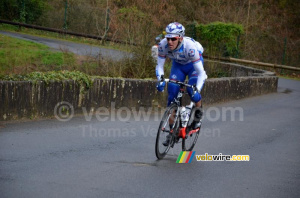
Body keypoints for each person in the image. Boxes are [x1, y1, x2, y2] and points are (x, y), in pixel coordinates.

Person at [155, 22, 207, 146]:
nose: (170, 42)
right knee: (171, 95)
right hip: (178, 66)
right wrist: (160, 79)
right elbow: (159, 66)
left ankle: (198, 115)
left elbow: (202, 73)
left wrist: (197, 89)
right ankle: (172, 132)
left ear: (180, 38)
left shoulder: (190, 47)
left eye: (173, 39)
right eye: (168, 38)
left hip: (193, 67)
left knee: (192, 92)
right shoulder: (163, 45)